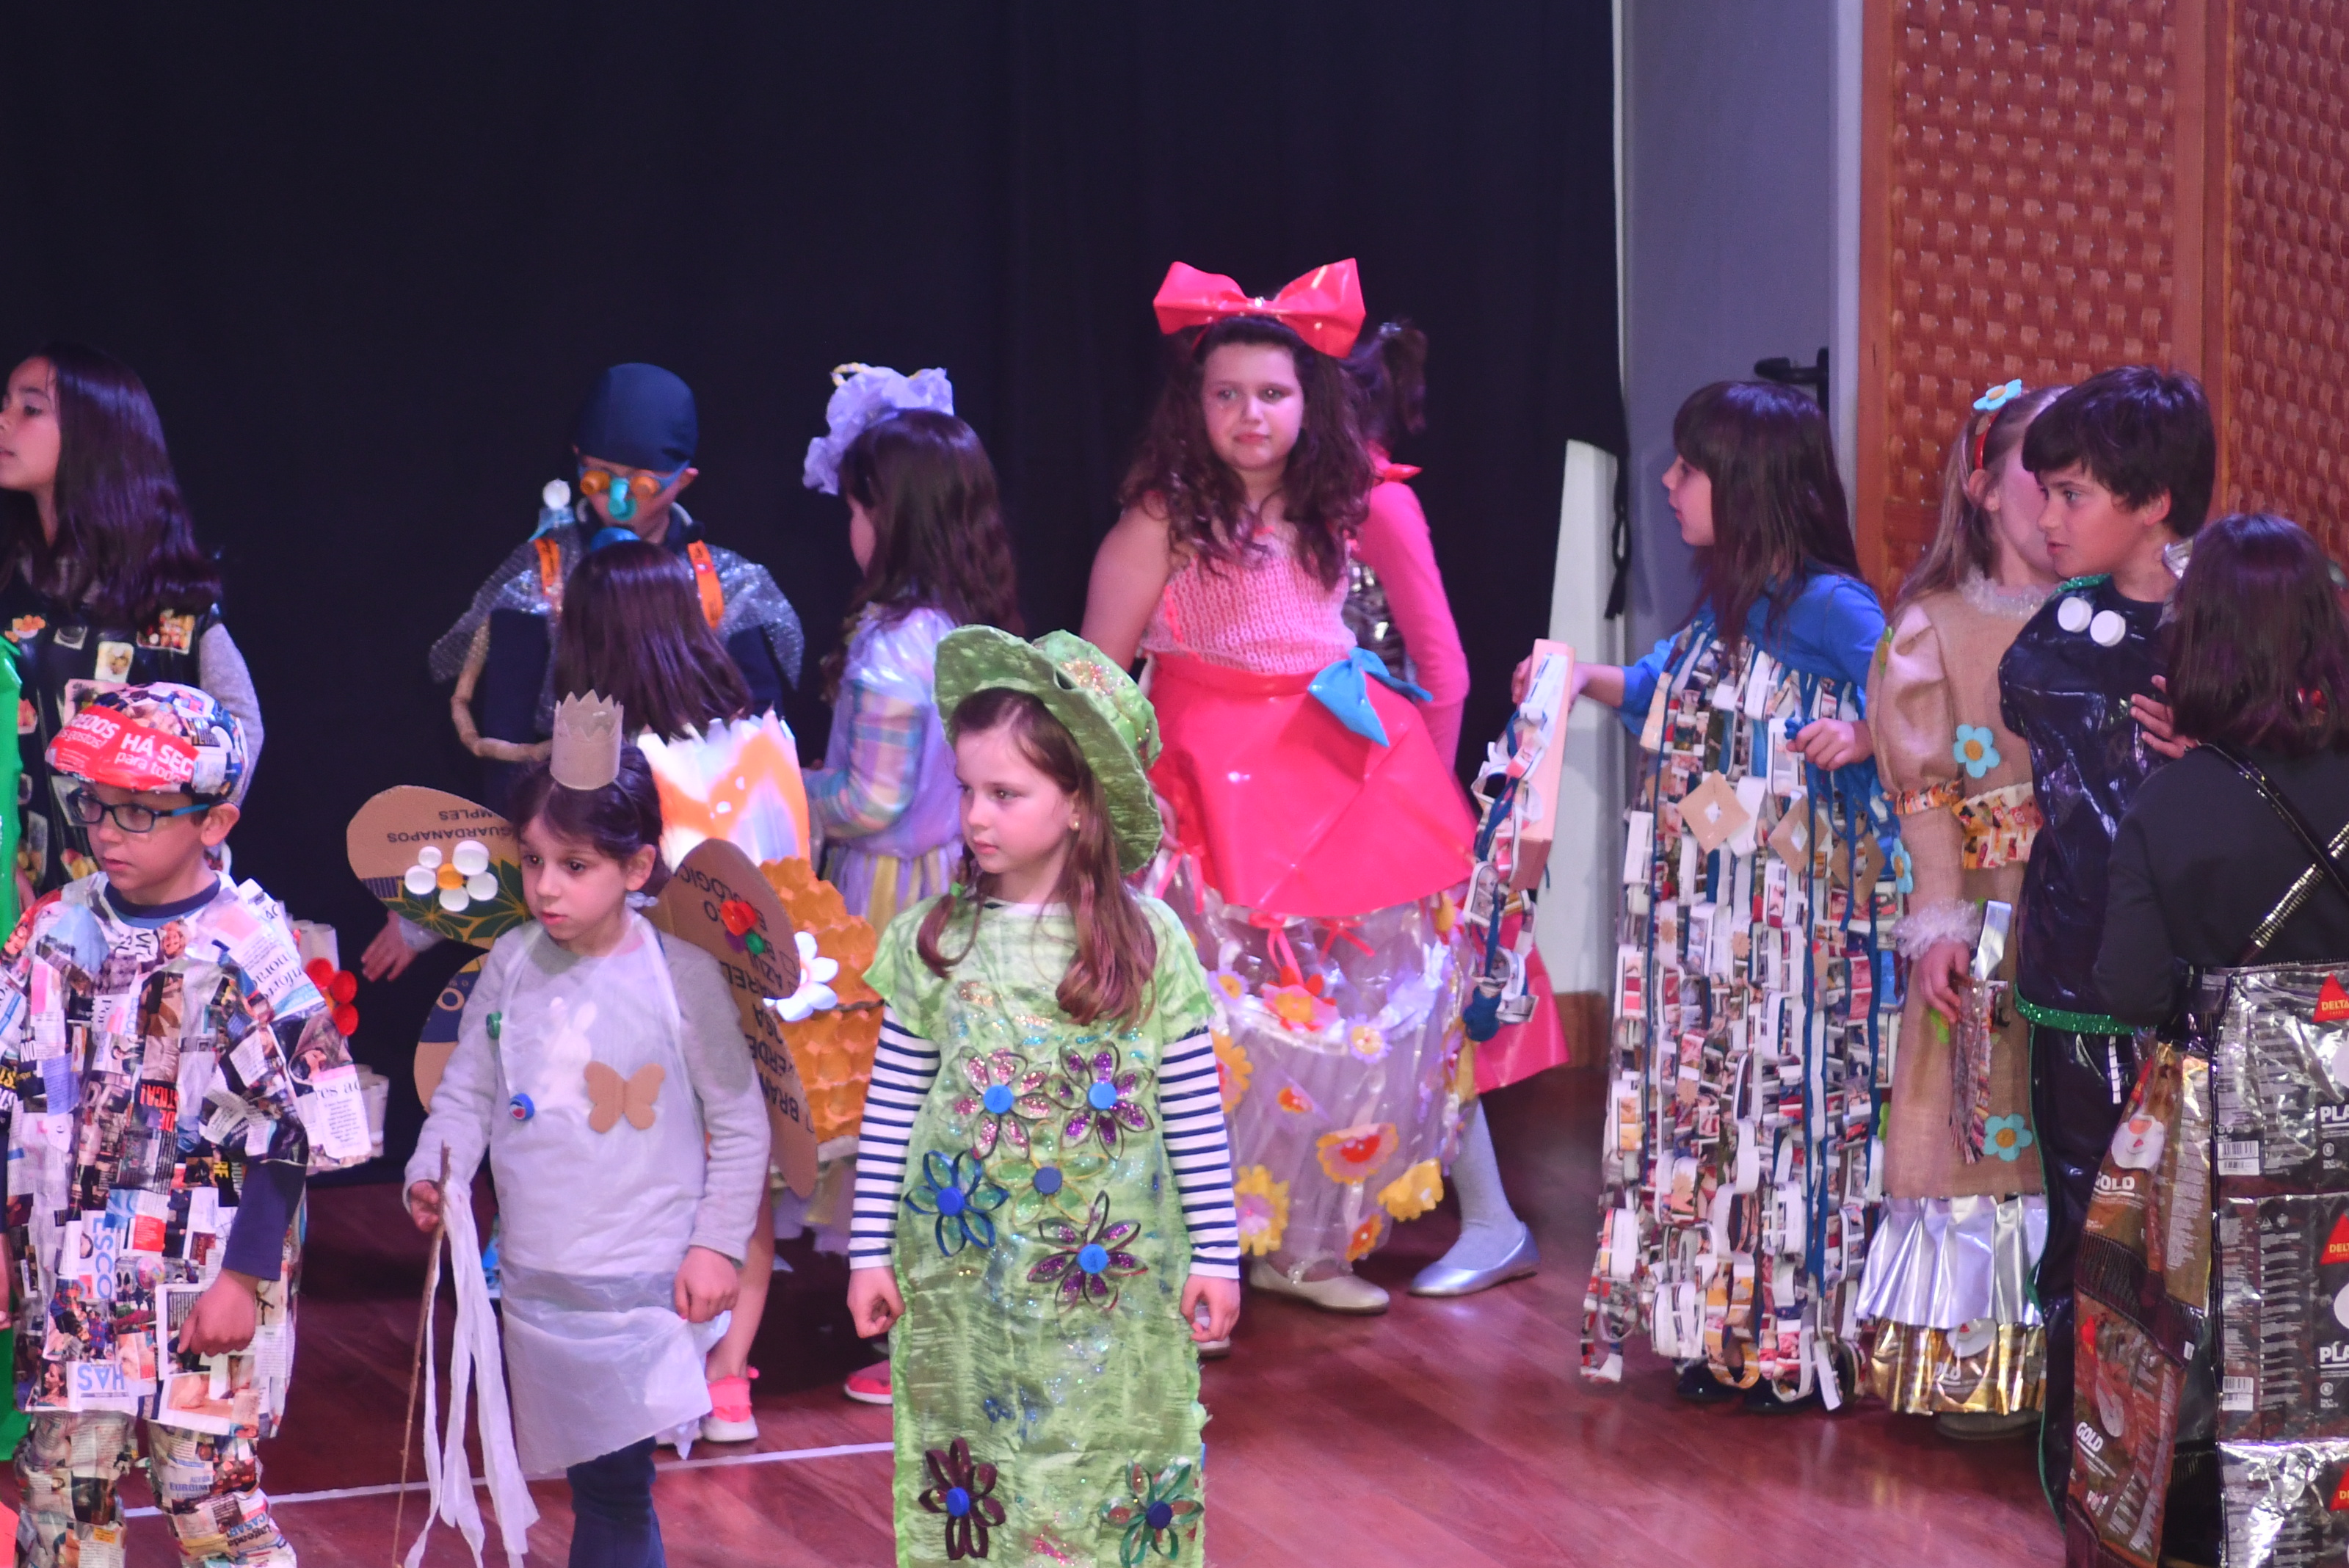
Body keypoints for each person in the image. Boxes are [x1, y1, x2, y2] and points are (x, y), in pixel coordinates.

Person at [1083, 260, 1474, 1316]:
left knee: (1332, 1021)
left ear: (1312, 402)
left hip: (1329, 778)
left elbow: (1443, 667)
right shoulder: (1160, 518)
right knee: (1206, 1027)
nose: (1249, 415)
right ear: (1194, 405)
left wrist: (1413, 787)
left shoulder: (1351, 508)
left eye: (1271, 393)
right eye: (1226, 394)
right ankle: (1181, 1254)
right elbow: (1094, 678)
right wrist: (1116, 809)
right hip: (1199, 790)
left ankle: (1305, 1246)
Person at [845, 626, 1238, 1568]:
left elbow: (1192, 1114)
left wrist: (1217, 1254)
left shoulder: (1148, 944)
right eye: (967, 790)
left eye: (1005, 794)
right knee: (979, 1462)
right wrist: (867, 1252)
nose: (975, 816)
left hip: (1114, 1286)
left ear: (1077, 806)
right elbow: (891, 1110)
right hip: (965, 1278)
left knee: (1104, 1451)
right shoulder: (934, 940)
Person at [1569, 380, 1895, 1411]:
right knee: (1711, 1111)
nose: (1668, 483)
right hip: (1709, 929)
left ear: (1748, 484)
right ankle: (1721, 1331)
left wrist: (1866, 734)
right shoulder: (1724, 608)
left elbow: (1917, 705)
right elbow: (1653, 689)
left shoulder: (1831, 607)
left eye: (1689, 468)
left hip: (1796, 937)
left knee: (1785, 1113)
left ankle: (1797, 1340)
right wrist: (1572, 680)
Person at [0, 685, 371, 1567]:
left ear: (214, 821)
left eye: (139, 812)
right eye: (95, 806)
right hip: (74, 1277)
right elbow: (9, 1082)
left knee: (210, 1499)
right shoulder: (54, 928)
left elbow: (293, 1127)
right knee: (61, 1493)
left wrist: (244, 1276)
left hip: (206, 1279)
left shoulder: (247, 947)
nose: (108, 832)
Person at [404, 730, 769, 1568]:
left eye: (575, 866)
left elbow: (740, 1123)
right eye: (533, 861)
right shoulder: (511, 963)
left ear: (637, 868)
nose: (545, 887)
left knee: (614, 1485)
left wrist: (716, 1244)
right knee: (595, 1482)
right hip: (539, 1281)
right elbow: (469, 1091)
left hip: (643, 1286)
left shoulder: (682, 976)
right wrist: (434, 1174)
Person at [2091, 511, 2349, 1568]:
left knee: (2237, 1344)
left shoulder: (2169, 806)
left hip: (2228, 1125)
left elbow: (2125, 986)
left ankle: (2247, 1539)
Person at [1995, 363, 2212, 1500]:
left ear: (2157, 500)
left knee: (2206, 1250)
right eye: (2045, 491)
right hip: (2076, 979)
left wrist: (2225, 746)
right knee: (2087, 1239)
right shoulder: (2057, 630)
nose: (2046, 517)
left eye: (2072, 493)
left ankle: (2194, 1496)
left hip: (2208, 997)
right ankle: (2089, 1495)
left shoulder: (2236, 625)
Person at [801, 367, 1025, 1404]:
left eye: (856, 508)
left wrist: (787, 786)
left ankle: (921, 1339)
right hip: (965, 886)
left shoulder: (894, 650)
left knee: (899, 1109)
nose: (849, 527)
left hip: (895, 898)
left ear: (888, 518)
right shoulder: (969, 631)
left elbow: (871, 799)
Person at [1856, 379, 2064, 1439]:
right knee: (1983, 1116)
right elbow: (1925, 794)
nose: (2060, 495)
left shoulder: (2112, 619)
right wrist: (1941, 921)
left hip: (2090, 912)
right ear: (1983, 489)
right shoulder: (1933, 628)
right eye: (2042, 470)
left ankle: (2084, 1364)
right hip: (1989, 915)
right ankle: (1984, 1364)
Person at [1340, 319, 1555, 1296]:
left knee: (1428, 1010)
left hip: (1385, 797)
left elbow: (1444, 667)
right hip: (1321, 795)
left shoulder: (1378, 506)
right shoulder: (1298, 510)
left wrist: (1418, 801)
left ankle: (1494, 1221)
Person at [425, 362, 805, 811]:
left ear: (683, 480)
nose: (617, 499)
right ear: (578, 461)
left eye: (640, 484)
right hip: (569, 814)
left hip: (699, 810)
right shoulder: (541, 576)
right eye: (599, 478)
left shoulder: (726, 584)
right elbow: (507, 730)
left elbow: (762, 727)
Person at [0, 344, 266, 894]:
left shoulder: (168, 598)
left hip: (153, 910)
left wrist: (185, 848)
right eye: (6, 404)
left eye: (31, 408)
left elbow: (239, 726)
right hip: (31, 899)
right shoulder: (9, 588)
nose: (4, 421)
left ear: (95, 434)